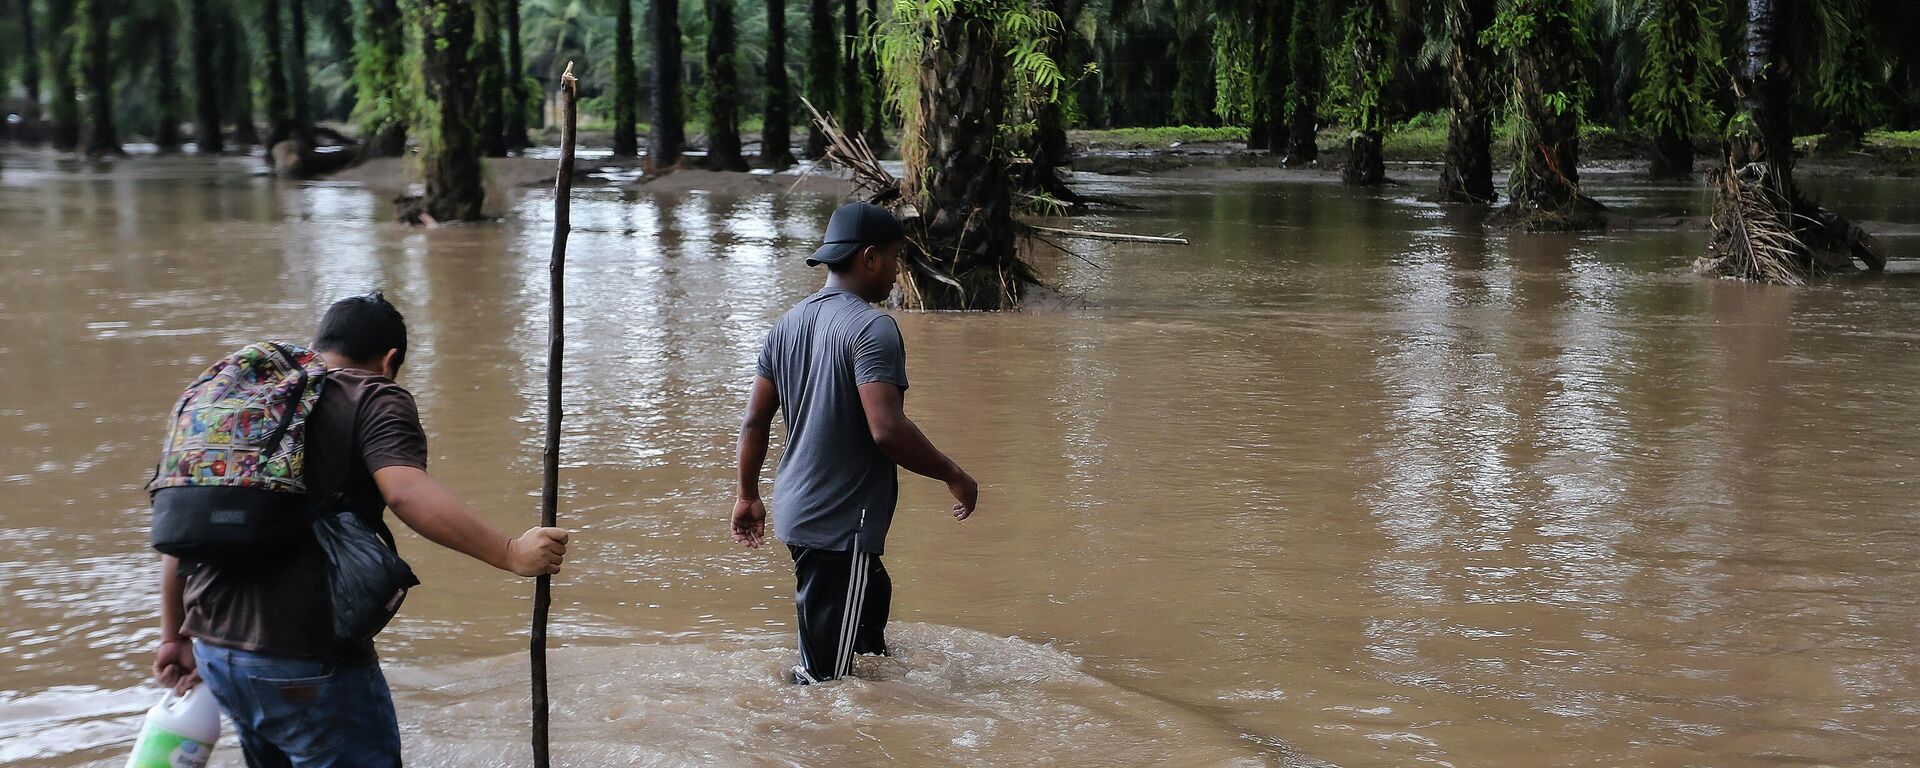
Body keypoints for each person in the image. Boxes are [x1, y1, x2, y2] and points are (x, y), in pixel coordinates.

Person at [151, 292, 570, 767]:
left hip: (214, 650)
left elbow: (182, 523)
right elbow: (405, 491)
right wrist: (511, 552)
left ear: (321, 342)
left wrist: (174, 636)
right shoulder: (373, 395)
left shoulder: (246, 405)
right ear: (389, 360)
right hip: (303, 660)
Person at [732, 202, 980, 684]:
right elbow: (886, 429)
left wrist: (747, 495)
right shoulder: (872, 327)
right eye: (894, 259)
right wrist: (954, 474)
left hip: (802, 509)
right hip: (839, 523)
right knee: (823, 683)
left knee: (870, 629)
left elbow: (754, 421)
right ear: (869, 257)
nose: (895, 273)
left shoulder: (785, 325)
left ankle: (873, 716)